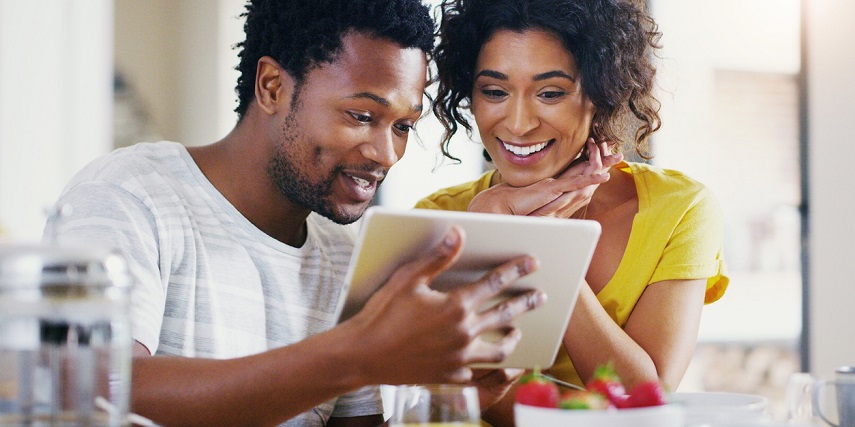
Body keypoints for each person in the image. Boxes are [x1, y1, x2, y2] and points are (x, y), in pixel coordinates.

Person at [42, 1, 547, 426]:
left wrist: (451, 400)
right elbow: (94, 386)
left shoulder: (346, 259)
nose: (387, 154)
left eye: (402, 126)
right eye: (363, 116)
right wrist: (356, 355)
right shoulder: (130, 193)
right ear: (272, 87)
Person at [417, 0, 729, 423]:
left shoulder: (679, 209)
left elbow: (643, 403)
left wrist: (546, 249)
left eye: (550, 93)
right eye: (494, 91)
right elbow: (446, 397)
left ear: (600, 94)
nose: (519, 123)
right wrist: (483, 226)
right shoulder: (438, 219)